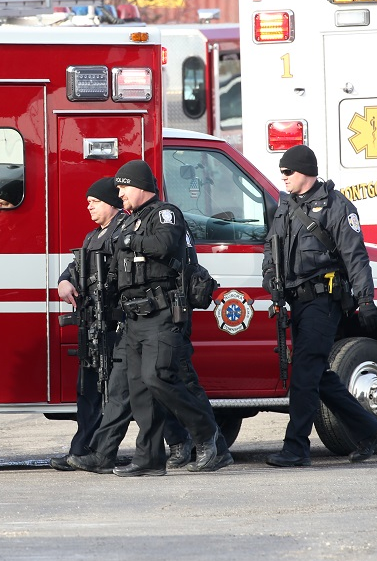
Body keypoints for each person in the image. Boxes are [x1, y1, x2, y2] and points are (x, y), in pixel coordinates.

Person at [261, 144, 377, 468]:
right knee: (318, 374)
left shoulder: (336, 206)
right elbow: (271, 248)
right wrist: (270, 278)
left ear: (305, 172)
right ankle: (369, 429)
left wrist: (365, 299)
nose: (283, 177)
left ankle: (296, 448)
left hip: (323, 301)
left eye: (287, 171)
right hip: (296, 302)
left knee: (305, 372)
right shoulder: (285, 206)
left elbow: (355, 257)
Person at [107, 159, 229, 476]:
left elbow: (164, 244)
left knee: (158, 378)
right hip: (134, 318)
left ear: (139, 186)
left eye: (123, 188)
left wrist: (130, 241)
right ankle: (149, 459)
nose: (119, 195)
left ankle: (207, 437)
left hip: (161, 313)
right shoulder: (130, 221)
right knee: (140, 391)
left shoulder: (165, 214)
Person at [49, 177, 127, 471]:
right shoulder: (93, 236)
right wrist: (64, 281)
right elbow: (76, 266)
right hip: (93, 323)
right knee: (88, 389)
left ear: (111, 203)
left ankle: (183, 443)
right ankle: (81, 449)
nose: (89, 207)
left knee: (119, 392)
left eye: (94, 202)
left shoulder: (123, 232)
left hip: (116, 324)